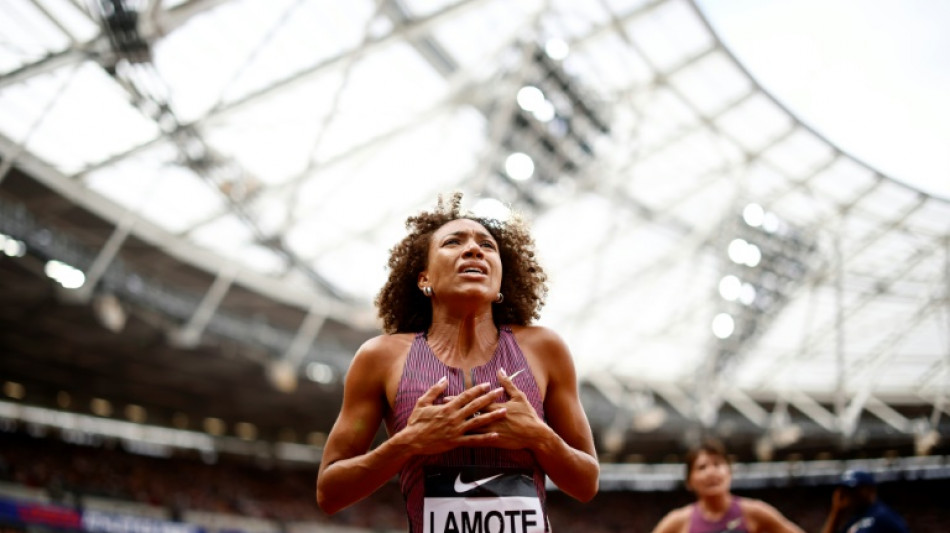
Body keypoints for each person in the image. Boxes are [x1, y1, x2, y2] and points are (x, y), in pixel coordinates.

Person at [315, 192, 599, 532]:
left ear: (499, 284)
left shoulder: (545, 349)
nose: (474, 249)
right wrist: (408, 442)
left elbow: (586, 484)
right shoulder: (380, 357)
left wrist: (539, 437)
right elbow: (329, 492)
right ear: (425, 280)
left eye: (487, 245)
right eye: (453, 242)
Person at [651, 439, 805, 533]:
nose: (711, 472)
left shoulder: (755, 512)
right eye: (702, 467)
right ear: (689, 481)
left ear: (729, 472)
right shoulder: (678, 521)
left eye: (717, 464)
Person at [820, 469, 909, 533]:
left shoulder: (882, 516)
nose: (848, 495)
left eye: (853, 490)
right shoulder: (855, 519)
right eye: (845, 490)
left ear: (870, 490)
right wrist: (836, 511)